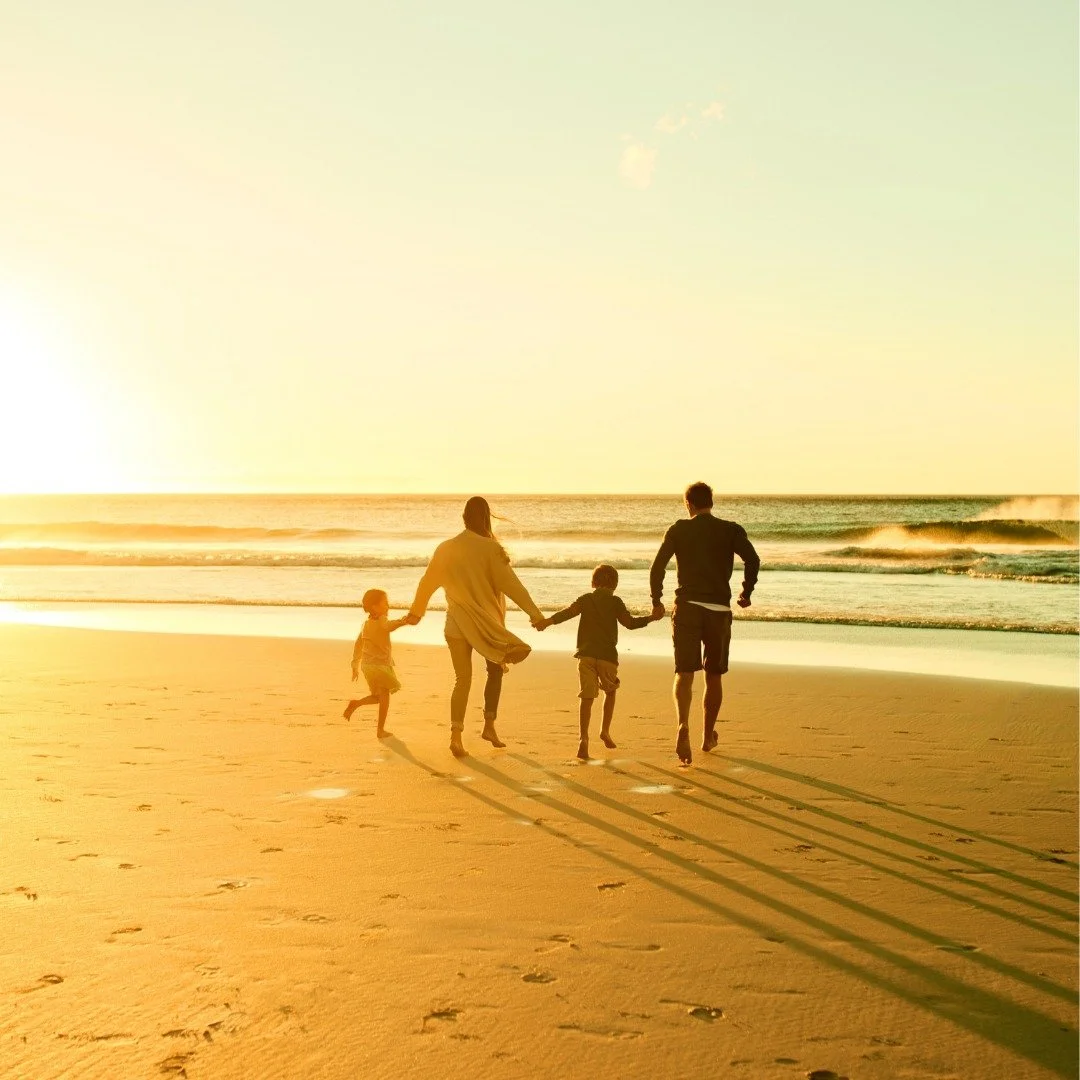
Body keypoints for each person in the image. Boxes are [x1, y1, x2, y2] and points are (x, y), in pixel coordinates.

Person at [406, 496, 545, 758]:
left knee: (462, 680)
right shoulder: (492, 549)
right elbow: (513, 586)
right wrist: (536, 615)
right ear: (486, 518)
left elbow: (428, 582)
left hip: (456, 624)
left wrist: (417, 612)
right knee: (495, 669)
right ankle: (489, 725)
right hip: (488, 627)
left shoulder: (446, 547)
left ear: (464, 518)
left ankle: (456, 736)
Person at [649, 482, 760, 765]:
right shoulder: (730, 530)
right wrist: (746, 592)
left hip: (686, 608)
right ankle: (708, 735)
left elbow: (658, 566)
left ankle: (682, 725)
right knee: (713, 675)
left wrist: (656, 600)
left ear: (689, 504)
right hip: (718, 610)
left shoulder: (678, 529)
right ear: (711, 502)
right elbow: (753, 559)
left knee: (684, 673)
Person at [536, 563, 660, 761]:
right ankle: (604, 731)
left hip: (585, 655)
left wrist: (547, 622)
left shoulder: (586, 599)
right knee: (610, 691)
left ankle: (583, 739)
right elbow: (630, 624)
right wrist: (651, 618)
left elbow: (568, 613)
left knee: (587, 697)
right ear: (615, 583)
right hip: (607, 657)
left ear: (594, 582)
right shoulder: (616, 602)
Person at [343, 588, 410, 738]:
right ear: (375, 607)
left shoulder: (366, 624)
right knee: (385, 695)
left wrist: (355, 664)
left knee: (378, 697)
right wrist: (403, 621)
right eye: (385, 603)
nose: (388, 606)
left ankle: (356, 703)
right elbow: (388, 626)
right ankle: (380, 730)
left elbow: (358, 644)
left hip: (367, 665)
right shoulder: (381, 620)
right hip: (379, 665)